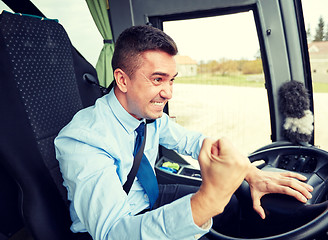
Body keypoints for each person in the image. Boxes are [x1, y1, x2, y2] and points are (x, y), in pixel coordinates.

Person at [54, 25, 313, 240]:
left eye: (171, 79)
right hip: (117, 224)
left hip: (146, 196)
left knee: (232, 204)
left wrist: (250, 172)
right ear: (122, 80)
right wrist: (206, 202)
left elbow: (193, 141)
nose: (168, 93)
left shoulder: (146, 114)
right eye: (157, 79)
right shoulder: (83, 140)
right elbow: (112, 233)